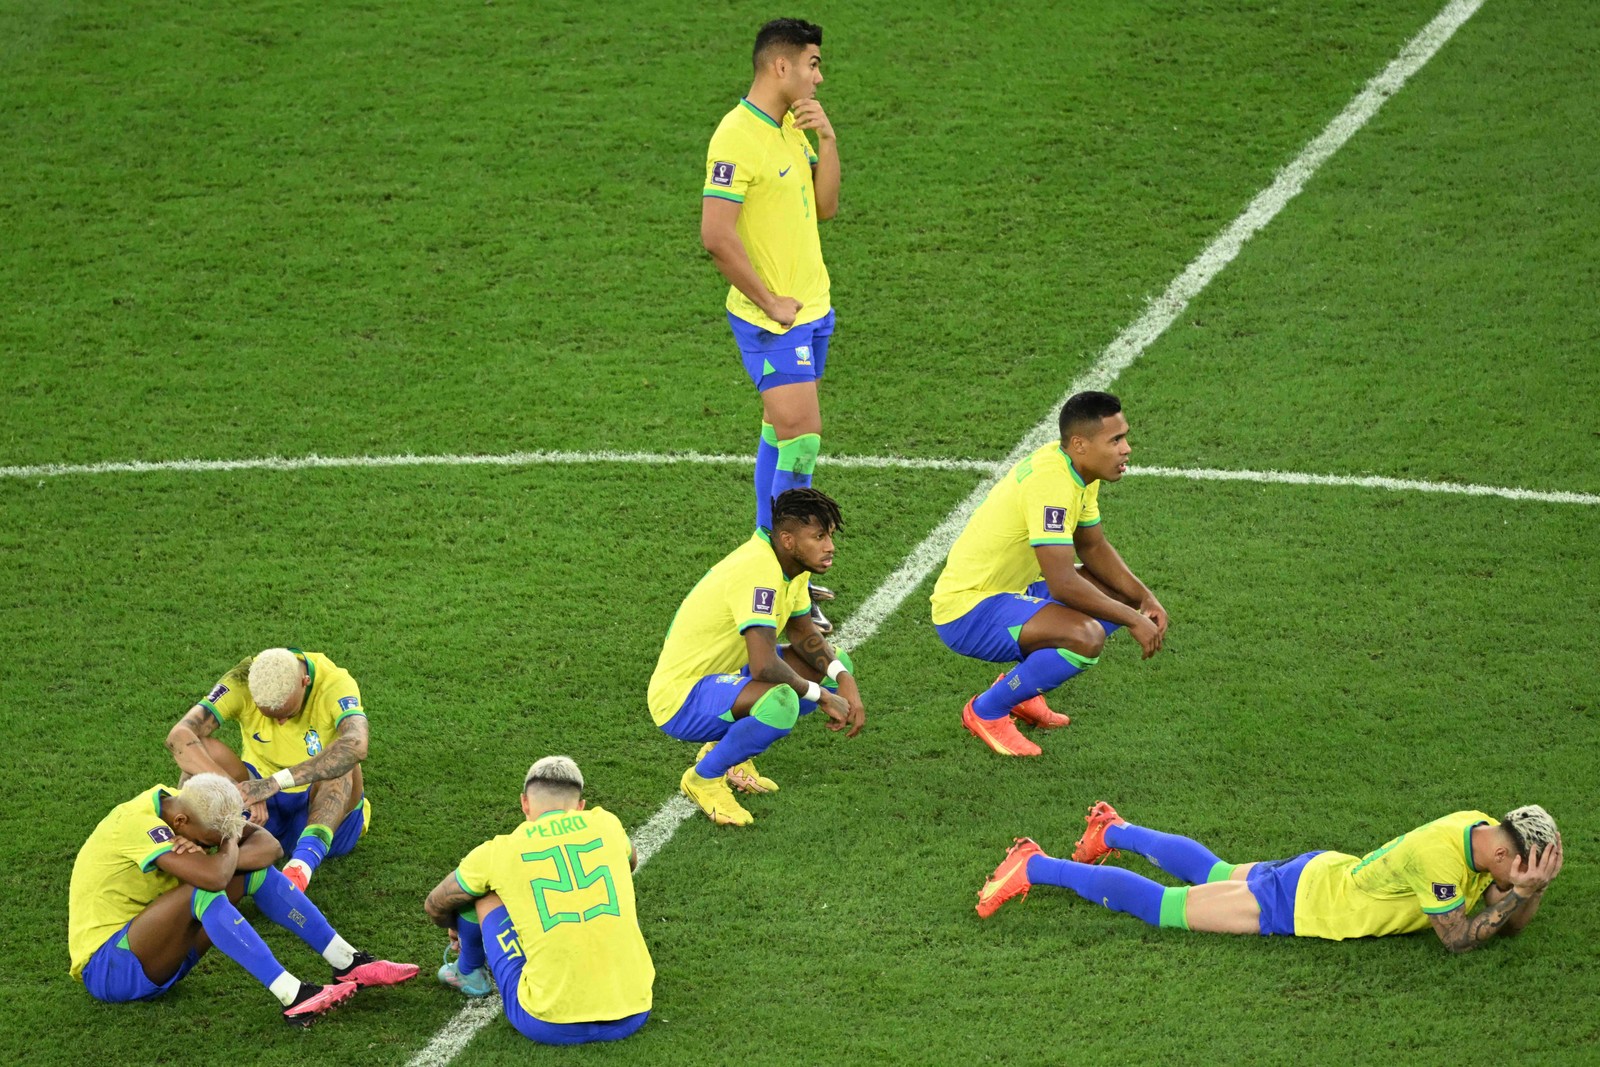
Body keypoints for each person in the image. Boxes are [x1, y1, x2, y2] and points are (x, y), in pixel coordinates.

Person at [976, 801, 1564, 952]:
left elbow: (1503, 916)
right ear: (1507, 857)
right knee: (1167, 908)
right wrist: (1522, 895)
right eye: (1526, 871)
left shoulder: (1486, 832)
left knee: (1214, 872)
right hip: (1307, 902)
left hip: (1325, 873)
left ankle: (1112, 831)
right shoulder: (1444, 860)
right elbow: (1460, 938)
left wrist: (1525, 893)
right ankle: (1034, 864)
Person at [68, 773, 417, 1025]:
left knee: (253, 873)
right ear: (180, 821)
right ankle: (294, 996)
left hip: (163, 950)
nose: (211, 844)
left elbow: (271, 847)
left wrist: (222, 845)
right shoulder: (137, 824)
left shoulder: (187, 802)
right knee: (201, 889)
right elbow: (214, 877)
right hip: (111, 967)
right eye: (210, 838)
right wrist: (225, 850)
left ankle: (347, 962)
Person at [930, 391, 1167, 757]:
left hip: (1011, 590)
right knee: (1085, 637)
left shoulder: (1078, 470)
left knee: (1118, 591)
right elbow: (1063, 584)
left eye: (1125, 437)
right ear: (1080, 444)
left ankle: (1023, 693)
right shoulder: (1051, 484)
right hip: (968, 609)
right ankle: (987, 711)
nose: (1126, 449)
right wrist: (1133, 620)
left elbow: (1093, 547)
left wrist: (1143, 598)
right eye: (1116, 440)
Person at [701, 18, 841, 630]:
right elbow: (715, 235)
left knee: (780, 438)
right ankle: (790, 586)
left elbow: (825, 207)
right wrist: (768, 300)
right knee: (802, 438)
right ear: (780, 67)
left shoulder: (791, 126)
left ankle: (773, 568)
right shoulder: (735, 137)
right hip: (774, 321)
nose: (818, 75)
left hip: (814, 313)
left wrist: (829, 142)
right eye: (812, 63)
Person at [647, 488, 865, 826]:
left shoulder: (790, 563)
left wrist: (843, 680)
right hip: (681, 697)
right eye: (819, 537)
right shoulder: (758, 572)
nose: (829, 547)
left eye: (830, 536)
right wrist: (822, 696)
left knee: (835, 665)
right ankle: (703, 779)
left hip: (724, 676)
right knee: (781, 702)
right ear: (788, 540)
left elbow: (804, 632)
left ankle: (733, 756)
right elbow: (763, 664)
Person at [422, 756, 654, 1046]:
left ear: (525, 803)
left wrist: (454, 924)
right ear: (580, 806)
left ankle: (469, 970)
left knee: (480, 892)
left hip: (547, 1023)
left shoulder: (498, 852)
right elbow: (629, 862)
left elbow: (435, 903)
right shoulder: (607, 824)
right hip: (633, 1011)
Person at [165, 647, 371, 891]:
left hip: (325, 811)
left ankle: (301, 866)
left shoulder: (334, 682)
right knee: (203, 750)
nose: (280, 722)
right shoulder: (242, 679)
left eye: (287, 714)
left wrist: (272, 783)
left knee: (342, 761)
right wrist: (240, 791)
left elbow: (356, 745)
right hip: (260, 811)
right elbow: (179, 736)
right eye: (270, 716)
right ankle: (191, 848)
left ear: (305, 683)